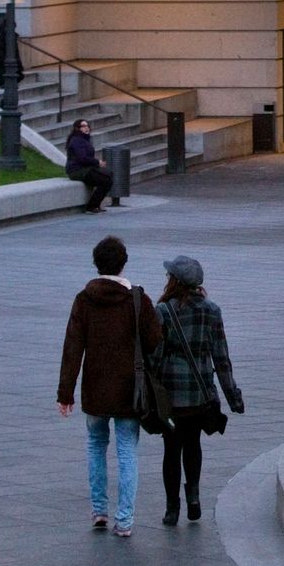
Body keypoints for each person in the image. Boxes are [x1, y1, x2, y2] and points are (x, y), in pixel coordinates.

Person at [57, 235, 162, 537]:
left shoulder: (84, 298)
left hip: (95, 389)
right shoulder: (137, 299)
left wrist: (65, 393)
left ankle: (99, 511)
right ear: (123, 263)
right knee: (127, 450)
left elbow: (73, 347)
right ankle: (125, 520)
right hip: (131, 391)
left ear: (96, 263)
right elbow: (155, 340)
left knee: (95, 445)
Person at [152, 255, 245, 527]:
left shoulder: (164, 312)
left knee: (172, 448)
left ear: (175, 282)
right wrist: (233, 396)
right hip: (200, 392)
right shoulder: (212, 310)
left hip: (172, 393)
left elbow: (156, 356)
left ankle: (172, 508)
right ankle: (193, 495)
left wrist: (150, 389)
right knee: (193, 443)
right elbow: (222, 358)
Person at [64, 117, 113, 214]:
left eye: (87, 126)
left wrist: (97, 163)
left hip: (86, 168)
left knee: (109, 175)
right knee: (105, 180)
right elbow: (82, 158)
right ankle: (92, 206)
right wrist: (97, 162)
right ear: (77, 128)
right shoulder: (76, 140)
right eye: (83, 126)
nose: (86, 128)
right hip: (77, 170)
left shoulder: (84, 139)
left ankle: (95, 205)